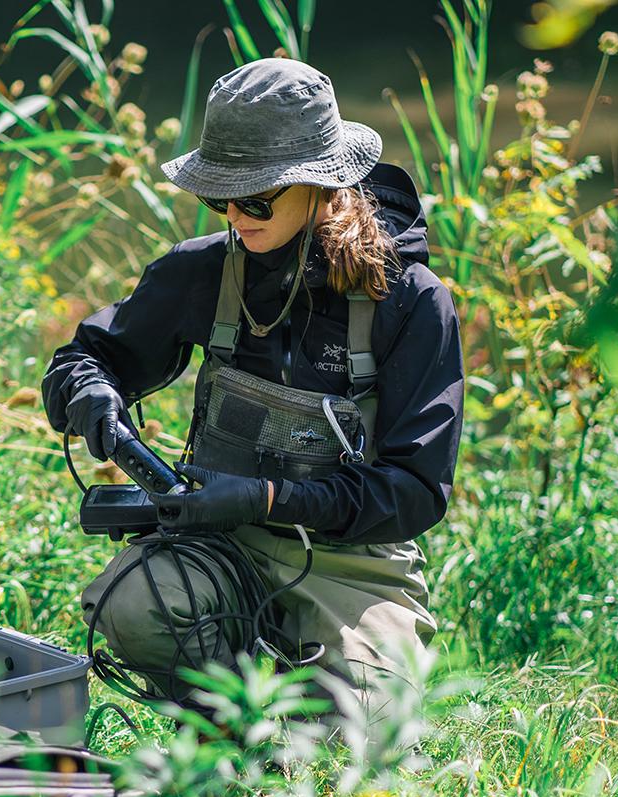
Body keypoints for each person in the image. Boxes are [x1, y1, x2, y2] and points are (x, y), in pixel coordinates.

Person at [40, 58, 464, 718]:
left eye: (255, 198)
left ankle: (314, 706)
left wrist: (267, 496)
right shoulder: (201, 272)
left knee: (360, 745)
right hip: (215, 543)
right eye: (218, 197)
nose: (234, 215)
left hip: (350, 566)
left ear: (320, 183)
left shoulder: (408, 301)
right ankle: (223, 740)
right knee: (133, 606)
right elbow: (85, 356)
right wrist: (89, 392)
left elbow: (414, 492)